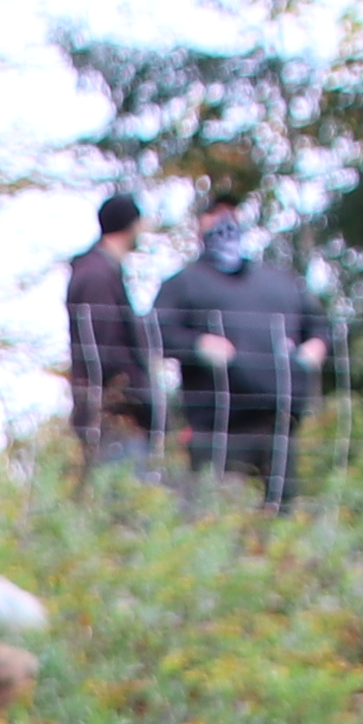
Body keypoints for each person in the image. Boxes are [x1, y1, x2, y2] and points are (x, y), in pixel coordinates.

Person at [142, 180, 325, 504]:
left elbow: (320, 326)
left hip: (279, 421)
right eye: (215, 214)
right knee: (220, 515)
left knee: (278, 518)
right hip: (218, 425)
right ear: (200, 224)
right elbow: (156, 333)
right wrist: (198, 345)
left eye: (231, 213)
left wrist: (314, 349)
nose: (225, 222)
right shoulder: (184, 283)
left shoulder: (279, 282)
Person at [63, 193, 159, 484]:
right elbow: (103, 350)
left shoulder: (103, 272)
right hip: (114, 417)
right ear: (129, 225)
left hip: (117, 415)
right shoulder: (97, 277)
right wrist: (133, 395)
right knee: (123, 508)